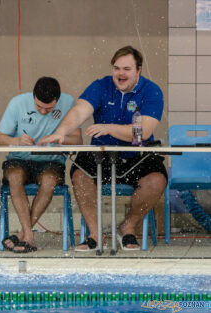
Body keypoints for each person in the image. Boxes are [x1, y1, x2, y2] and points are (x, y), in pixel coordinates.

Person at [39, 46, 167, 251]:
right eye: (116, 68)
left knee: (157, 179)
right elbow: (80, 111)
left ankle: (128, 226)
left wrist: (109, 128)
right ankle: (95, 234)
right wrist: (61, 131)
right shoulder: (101, 86)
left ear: (139, 70)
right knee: (80, 174)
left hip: (136, 155)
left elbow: (141, 132)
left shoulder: (152, 91)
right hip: (102, 155)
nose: (120, 74)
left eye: (127, 69)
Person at [0, 77, 82, 253]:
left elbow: (78, 140)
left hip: (51, 160)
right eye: (38, 107)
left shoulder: (68, 102)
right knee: (14, 176)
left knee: (50, 180)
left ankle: (23, 234)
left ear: (57, 100)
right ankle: (28, 234)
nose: (43, 112)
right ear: (33, 96)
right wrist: (17, 140)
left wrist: (60, 138)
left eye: (48, 109)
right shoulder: (17, 103)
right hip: (20, 158)